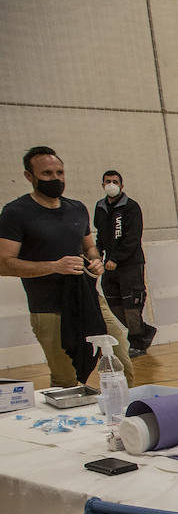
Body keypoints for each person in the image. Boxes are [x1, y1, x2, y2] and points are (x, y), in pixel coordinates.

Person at [0, 146, 135, 388]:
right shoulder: (15, 213)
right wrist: (53, 266)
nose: (56, 179)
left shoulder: (76, 208)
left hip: (88, 299)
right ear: (29, 177)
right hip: (48, 308)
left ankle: (126, 413)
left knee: (120, 357)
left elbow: (89, 248)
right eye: (47, 174)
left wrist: (96, 262)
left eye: (60, 172)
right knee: (66, 378)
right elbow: (4, 264)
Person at [93, 169, 156, 355]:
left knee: (132, 306)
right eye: (107, 181)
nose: (111, 184)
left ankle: (138, 343)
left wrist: (116, 258)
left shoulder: (131, 207)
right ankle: (144, 331)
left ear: (121, 185)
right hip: (109, 266)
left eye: (115, 181)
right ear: (103, 185)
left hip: (130, 264)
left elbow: (133, 237)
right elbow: (100, 236)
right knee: (113, 303)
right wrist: (98, 255)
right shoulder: (100, 207)